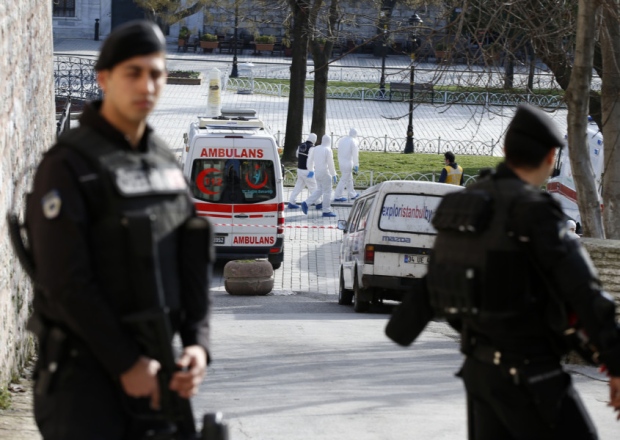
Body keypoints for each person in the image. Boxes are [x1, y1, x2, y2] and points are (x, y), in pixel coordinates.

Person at [24, 20, 212, 439]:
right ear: (104, 78)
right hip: (86, 384)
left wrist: (198, 344)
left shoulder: (164, 163)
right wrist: (125, 361)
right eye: (134, 73)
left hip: (157, 374)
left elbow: (192, 260)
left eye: (156, 74)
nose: (147, 85)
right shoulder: (68, 166)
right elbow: (65, 283)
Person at [426, 104, 620, 439]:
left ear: (505, 151)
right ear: (550, 157)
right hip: (531, 374)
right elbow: (585, 294)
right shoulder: (538, 214)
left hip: (479, 370)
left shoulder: (468, 204)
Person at [301, 134, 338, 218]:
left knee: (319, 190)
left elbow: (309, 160)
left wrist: (310, 170)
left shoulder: (315, 148)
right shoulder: (328, 150)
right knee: (327, 192)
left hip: (317, 173)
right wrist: (334, 174)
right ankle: (326, 210)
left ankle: (306, 203)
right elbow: (330, 164)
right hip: (325, 173)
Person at [288, 133, 318, 209]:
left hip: (300, 169)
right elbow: (312, 160)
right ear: (314, 139)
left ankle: (291, 202)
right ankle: (319, 203)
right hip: (308, 170)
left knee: (298, 186)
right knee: (313, 187)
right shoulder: (312, 148)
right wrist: (312, 170)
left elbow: (297, 155)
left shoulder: (301, 145)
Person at [333, 128, 360, 202]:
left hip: (341, 162)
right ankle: (337, 196)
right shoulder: (353, 141)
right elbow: (355, 154)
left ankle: (352, 194)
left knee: (349, 178)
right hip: (348, 163)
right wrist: (356, 164)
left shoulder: (342, 139)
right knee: (344, 179)